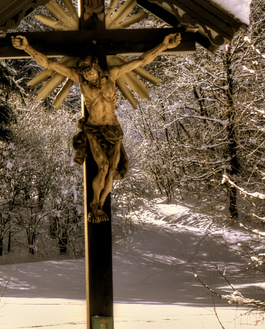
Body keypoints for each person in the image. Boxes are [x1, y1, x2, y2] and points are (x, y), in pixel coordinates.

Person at [11, 30, 180, 220]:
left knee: (111, 169)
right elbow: (50, 64)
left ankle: (101, 204)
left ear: (96, 66)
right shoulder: (80, 80)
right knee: (103, 166)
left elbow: (141, 61)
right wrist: (27, 48)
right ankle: (95, 205)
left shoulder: (113, 75)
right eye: (83, 73)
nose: (87, 76)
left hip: (113, 129)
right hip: (93, 130)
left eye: (89, 71)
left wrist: (164, 45)